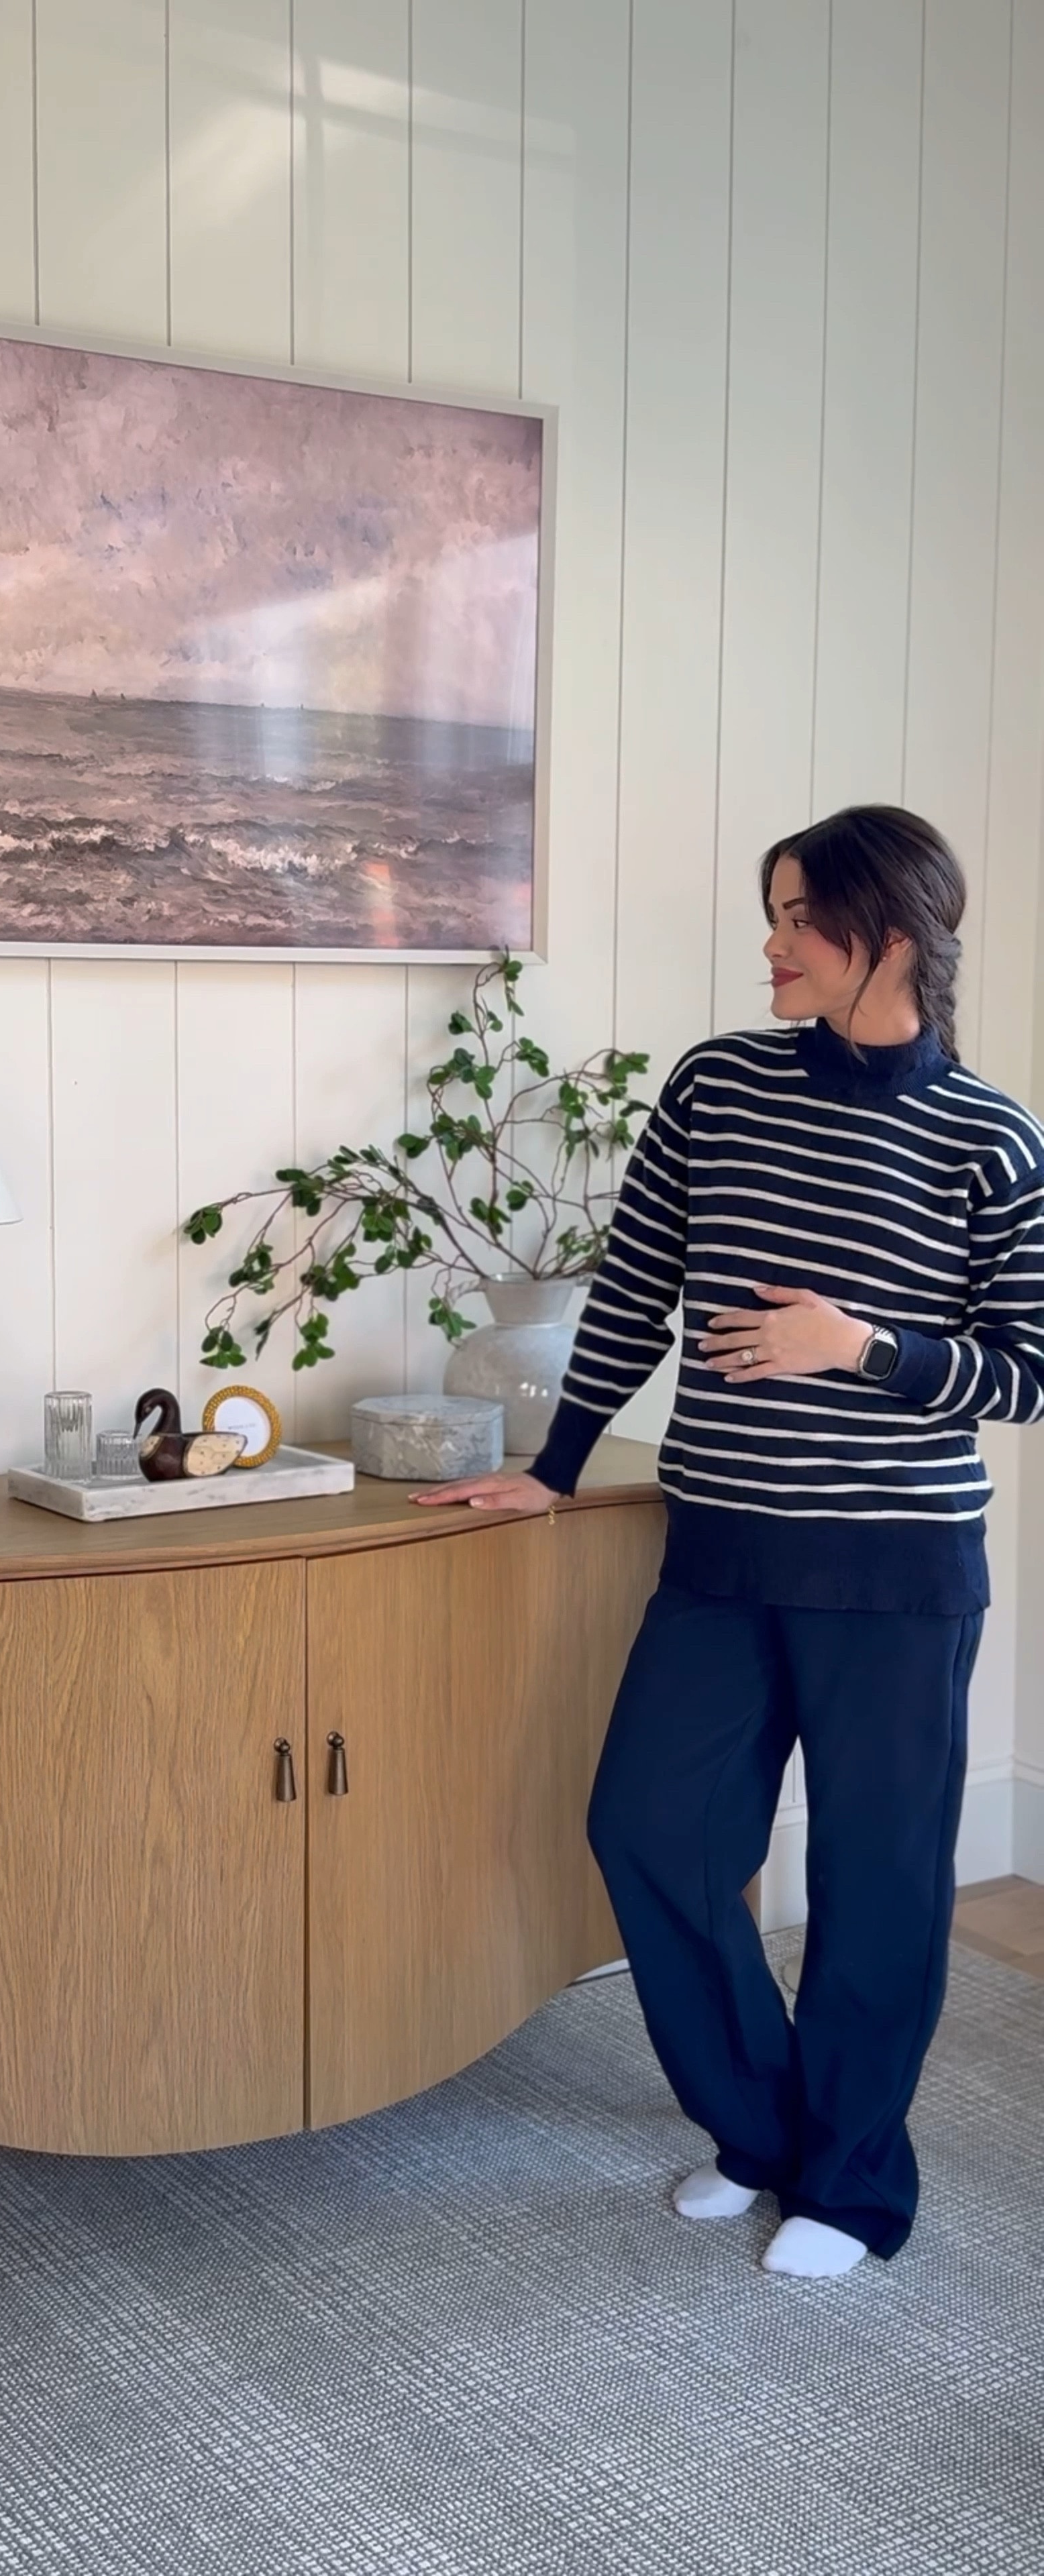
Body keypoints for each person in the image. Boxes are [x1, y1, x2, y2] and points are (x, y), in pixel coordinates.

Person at [415, 805, 1044, 2279]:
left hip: (897, 1572)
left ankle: (852, 2185)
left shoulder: (991, 1135)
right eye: (772, 914)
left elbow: (1028, 1370)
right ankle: (759, 2132)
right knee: (649, 1826)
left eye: (796, 918)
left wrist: (864, 1346)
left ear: (888, 932)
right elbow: (632, 1289)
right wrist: (555, 1470)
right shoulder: (716, 1090)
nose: (768, 945)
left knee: (882, 1887)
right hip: (723, 1546)